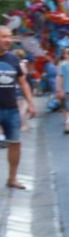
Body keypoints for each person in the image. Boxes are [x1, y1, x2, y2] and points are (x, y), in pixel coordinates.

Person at [0, 26, 36, 189]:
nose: (8, 40)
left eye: (9, 37)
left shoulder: (13, 59)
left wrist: (30, 103)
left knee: (15, 143)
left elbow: (23, 82)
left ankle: (12, 178)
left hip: (11, 108)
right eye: (4, 37)